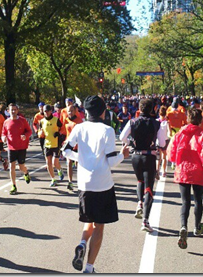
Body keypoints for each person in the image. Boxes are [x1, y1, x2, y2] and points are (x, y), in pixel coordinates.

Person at [62, 95, 130, 273]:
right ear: (103, 111)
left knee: (89, 219)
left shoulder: (78, 127)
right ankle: (89, 267)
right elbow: (110, 161)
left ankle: (82, 244)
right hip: (102, 183)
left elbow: (65, 150)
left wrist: (82, 159)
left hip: (84, 183)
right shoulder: (107, 130)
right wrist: (123, 154)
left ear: (85, 111)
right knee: (99, 225)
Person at [167, 108, 203, 250]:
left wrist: (175, 160)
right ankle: (197, 226)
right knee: (198, 199)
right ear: (200, 120)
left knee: (185, 201)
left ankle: (183, 226)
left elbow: (171, 152)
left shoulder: (180, 133)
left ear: (187, 119)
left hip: (183, 170)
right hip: (199, 170)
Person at [120, 98, 160, 233]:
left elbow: (122, 137)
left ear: (140, 109)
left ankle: (139, 203)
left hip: (136, 156)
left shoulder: (132, 122)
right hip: (150, 156)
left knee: (139, 180)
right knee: (149, 187)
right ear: (152, 109)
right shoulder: (156, 123)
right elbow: (161, 140)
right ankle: (145, 220)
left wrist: (131, 142)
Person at [1, 103, 32, 195]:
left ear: (17, 111)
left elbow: (29, 131)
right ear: (8, 111)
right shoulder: (6, 122)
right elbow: (3, 133)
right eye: (11, 110)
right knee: (12, 167)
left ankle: (26, 173)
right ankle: (13, 185)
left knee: (21, 167)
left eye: (15, 110)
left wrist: (25, 136)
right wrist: (3, 138)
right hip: (11, 147)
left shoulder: (22, 120)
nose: (13, 111)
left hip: (22, 147)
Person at [39, 104, 64, 187]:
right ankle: (53, 179)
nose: (46, 113)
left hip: (56, 144)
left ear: (51, 111)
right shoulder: (42, 121)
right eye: (45, 111)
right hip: (47, 144)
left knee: (55, 162)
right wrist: (40, 133)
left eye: (48, 111)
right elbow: (40, 132)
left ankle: (59, 170)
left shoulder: (56, 120)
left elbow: (63, 129)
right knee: (48, 163)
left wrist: (58, 133)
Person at [63, 104, 83, 191]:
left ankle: (80, 181)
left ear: (75, 111)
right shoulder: (66, 120)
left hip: (78, 145)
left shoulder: (79, 121)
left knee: (79, 164)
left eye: (71, 111)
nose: (70, 112)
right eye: (68, 111)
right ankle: (70, 182)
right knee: (69, 163)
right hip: (69, 144)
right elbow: (64, 132)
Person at [155, 106, 170, 179]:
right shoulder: (167, 122)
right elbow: (169, 133)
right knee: (164, 157)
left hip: (158, 141)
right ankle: (163, 171)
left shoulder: (156, 121)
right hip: (165, 141)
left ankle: (157, 171)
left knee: (158, 158)